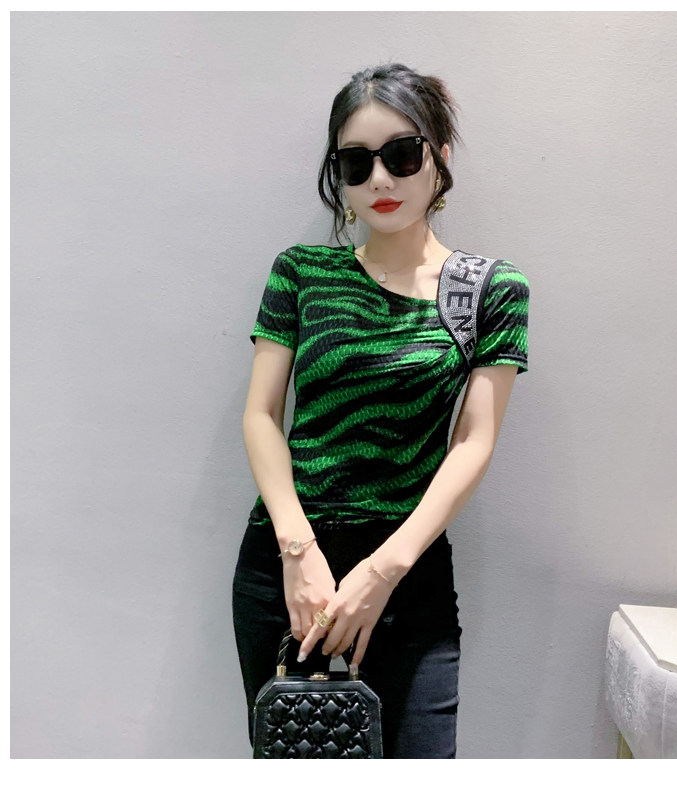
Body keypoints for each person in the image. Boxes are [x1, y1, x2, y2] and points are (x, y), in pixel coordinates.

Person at [232, 62, 530, 759]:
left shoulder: (490, 289)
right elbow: (260, 415)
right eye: (356, 163)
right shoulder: (303, 272)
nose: (380, 180)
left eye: (401, 154)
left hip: (407, 570)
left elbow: (474, 441)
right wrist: (298, 551)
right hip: (289, 570)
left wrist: (382, 570)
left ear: (440, 156)